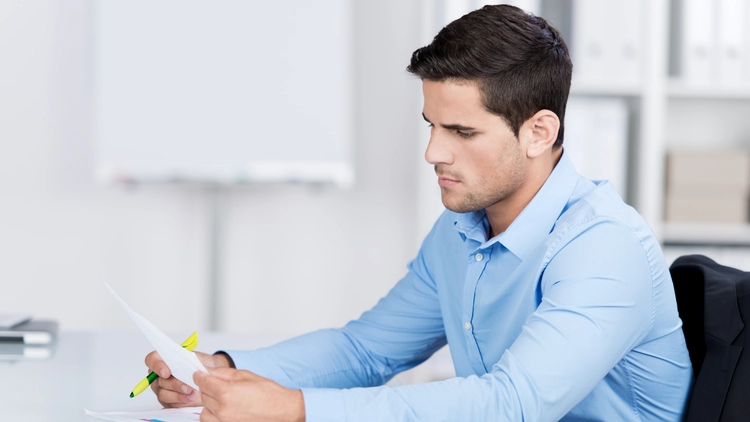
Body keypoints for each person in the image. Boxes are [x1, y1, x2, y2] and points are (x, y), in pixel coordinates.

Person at [145, 5, 693, 421]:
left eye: (462, 132)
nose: (434, 152)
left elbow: (514, 405)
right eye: (432, 125)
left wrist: (296, 408)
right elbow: (365, 350)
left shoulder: (604, 246)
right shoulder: (462, 230)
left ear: (539, 133)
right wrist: (225, 371)